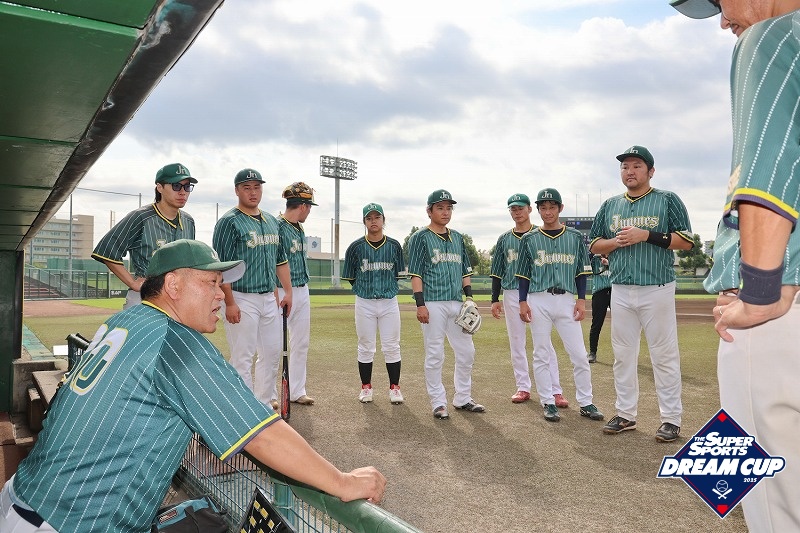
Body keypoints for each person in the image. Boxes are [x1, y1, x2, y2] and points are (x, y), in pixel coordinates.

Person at [0, 239, 385, 532]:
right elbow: (262, 436)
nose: (221, 293)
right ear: (173, 285)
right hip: (68, 521)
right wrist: (342, 481)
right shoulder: (175, 340)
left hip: (27, 497)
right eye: (211, 282)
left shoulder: (125, 321)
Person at [671, 1, 800, 530]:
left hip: (777, 311)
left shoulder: (772, 37)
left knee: (775, 504)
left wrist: (763, 288)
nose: (723, 20)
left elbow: (767, 175)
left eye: (721, 1)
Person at [588, 145, 694, 442]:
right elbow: (594, 245)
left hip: (657, 287)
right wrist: (616, 242)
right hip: (620, 288)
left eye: (636, 165)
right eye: (625, 166)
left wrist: (645, 235)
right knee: (622, 355)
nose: (630, 171)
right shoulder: (610, 205)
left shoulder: (667, 199)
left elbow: (686, 241)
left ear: (651, 171)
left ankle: (671, 419)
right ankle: (625, 414)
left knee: (663, 355)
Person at [515, 188, 604, 423]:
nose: (548, 212)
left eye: (552, 207)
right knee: (541, 353)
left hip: (566, 299)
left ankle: (586, 402)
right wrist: (522, 301)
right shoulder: (529, 239)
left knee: (579, 355)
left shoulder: (574, 237)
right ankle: (548, 401)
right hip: (538, 298)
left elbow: (582, 272)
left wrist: (582, 300)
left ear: (560, 208)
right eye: (543, 207)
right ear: (537, 210)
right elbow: (523, 275)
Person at [212, 168, 292, 410]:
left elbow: (280, 261)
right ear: (237, 191)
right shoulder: (229, 222)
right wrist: (229, 302)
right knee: (242, 357)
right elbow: (222, 267)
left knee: (271, 354)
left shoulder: (272, 221)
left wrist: (287, 292)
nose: (253, 192)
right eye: (247, 188)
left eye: (257, 187)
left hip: (268, 297)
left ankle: (263, 406)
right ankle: (243, 411)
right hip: (240, 296)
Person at [408, 189, 485, 420]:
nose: (445, 212)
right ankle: (438, 402)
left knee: (467, 352)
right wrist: (420, 304)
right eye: (440, 207)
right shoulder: (420, 237)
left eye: (449, 208)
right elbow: (416, 273)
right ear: (429, 211)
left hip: (456, 302)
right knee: (435, 353)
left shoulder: (458, 238)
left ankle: (463, 397)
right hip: (433, 302)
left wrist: (469, 298)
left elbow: (465, 272)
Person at [490, 193, 569, 408]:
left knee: (544, 344)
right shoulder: (504, 239)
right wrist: (494, 299)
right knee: (517, 342)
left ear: (529, 209)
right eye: (513, 209)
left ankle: (555, 390)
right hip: (511, 292)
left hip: (535, 292)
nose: (517, 212)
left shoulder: (539, 234)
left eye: (521, 208)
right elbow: (497, 271)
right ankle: (523, 386)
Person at [91, 163, 196, 309]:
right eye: (176, 186)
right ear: (160, 187)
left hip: (177, 298)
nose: (183, 192)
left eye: (187, 186)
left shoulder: (188, 221)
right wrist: (132, 282)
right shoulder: (141, 217)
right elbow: (106, 250)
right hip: (146, 297)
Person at [341, 203, 406, 404]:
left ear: (383, 220)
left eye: (377, 217)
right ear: (364, 222)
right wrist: (365, 289)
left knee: (392, 346)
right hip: (364, 302)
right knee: (365, 346)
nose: (373, 221)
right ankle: (366, 387)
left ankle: (394, 388)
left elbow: (398, 275)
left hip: (389, 301)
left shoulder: (394, 246)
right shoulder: (355, 247)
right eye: (369, 218)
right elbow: (351, 277)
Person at [277, 182, 317, 406]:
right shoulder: (278, 226)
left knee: (301, 343)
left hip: (302, 289)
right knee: (273, 345)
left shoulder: (298, 228)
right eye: (309, 207)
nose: (309, 211)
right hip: (282, 290)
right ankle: (270, 395)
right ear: (302, 206)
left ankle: (297, 391)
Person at [587, 254, 611, 364]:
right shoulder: (594, 259)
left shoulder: (616, 256)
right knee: (596, 324)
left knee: (621, 325)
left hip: (615, 291)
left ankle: (623, 354)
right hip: (599, 292)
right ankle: (592, 352)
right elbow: (585, 265)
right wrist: (593, 253)